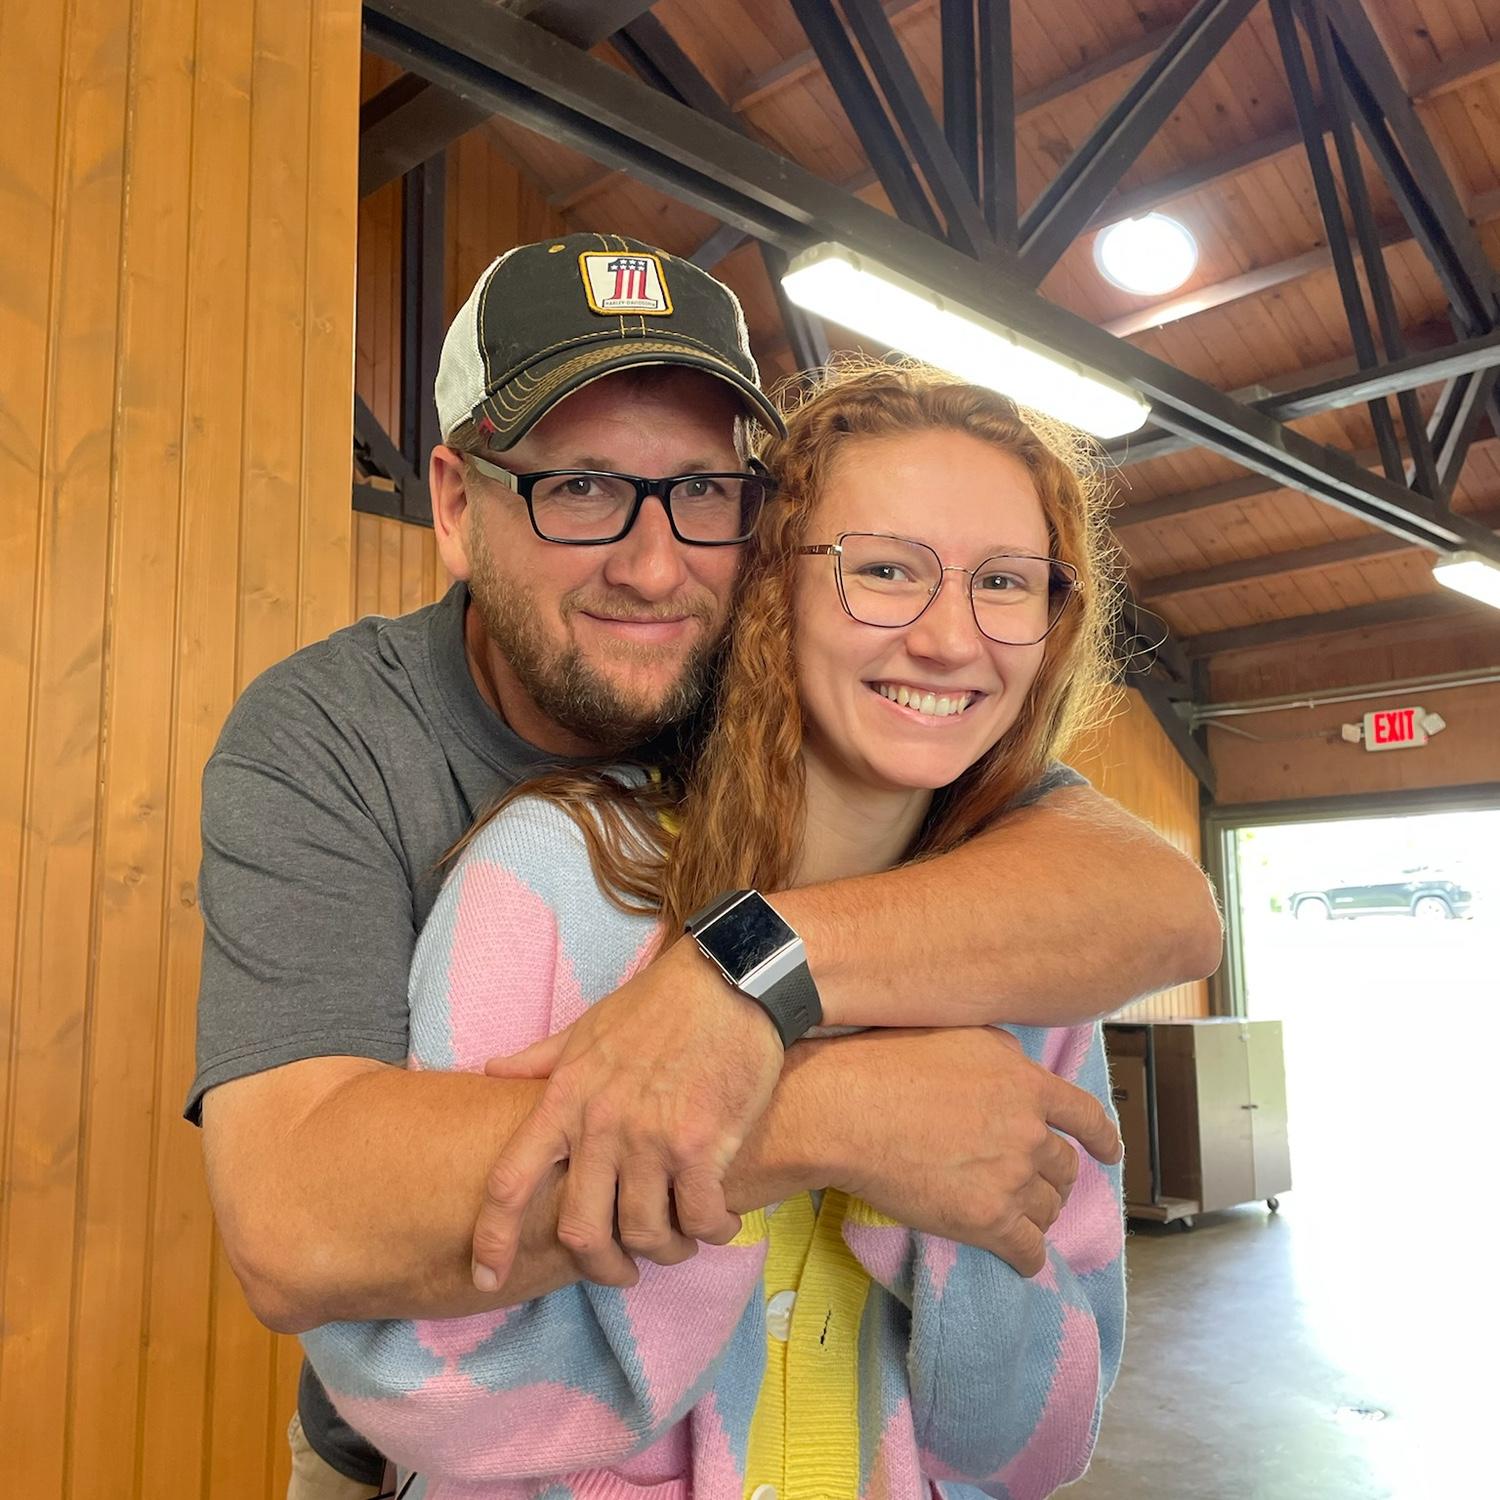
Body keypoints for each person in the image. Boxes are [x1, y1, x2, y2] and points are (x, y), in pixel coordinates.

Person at [191, 234, 1221, 1496]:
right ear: (456, 506)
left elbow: (1160, 902)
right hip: (420, 1447)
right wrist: (823, 1115)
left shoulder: (801, 682)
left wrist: (743, 976)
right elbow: (297, 1223)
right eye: (576, 487)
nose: (653, 563)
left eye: (703, 492)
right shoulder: (340, 738)